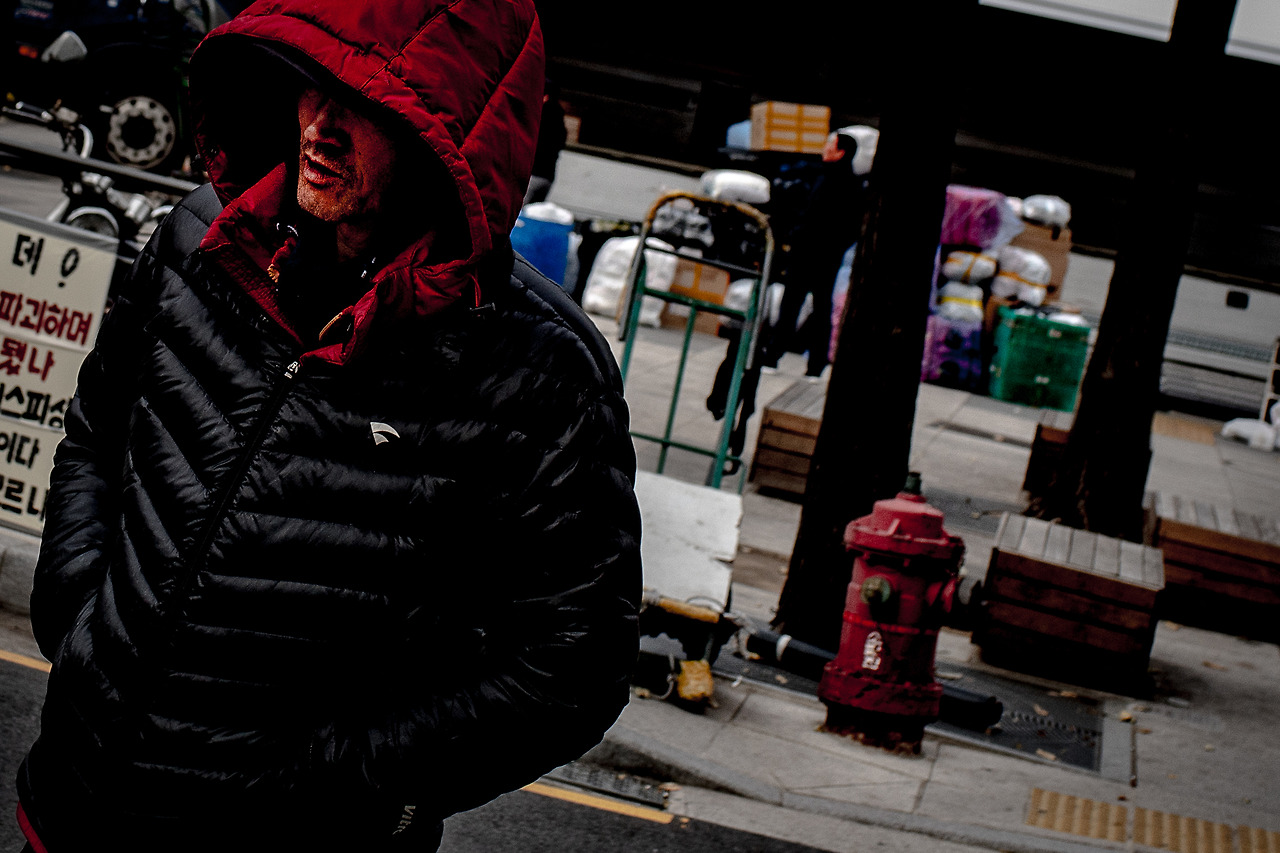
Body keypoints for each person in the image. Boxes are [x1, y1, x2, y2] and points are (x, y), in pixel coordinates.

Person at [14, 2, 642, 851]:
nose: (320, 126)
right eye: (312, 82)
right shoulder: (201, 237)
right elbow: (99, 430)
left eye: (368, 104)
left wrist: (350, 778)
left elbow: (573, 662)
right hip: (73, 802)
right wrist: (77, 610)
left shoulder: (542, 372)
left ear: (449, 132)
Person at [758, 128, 869, 378]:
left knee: (805, 307)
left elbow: (850, 228)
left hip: (819, 255)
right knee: (805, 306)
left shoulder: (846, 184)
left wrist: (829, 247)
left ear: (840, 152)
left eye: (831, 144)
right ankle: (800, 362)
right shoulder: (825, 176)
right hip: (813, 253)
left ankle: (790, 359)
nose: (825, 148)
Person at [523, 76, 568, 206]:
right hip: (547, 177)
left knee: (516, 214)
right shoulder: (558, 118)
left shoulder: (540, 116)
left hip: (532, 175)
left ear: (545, 96)